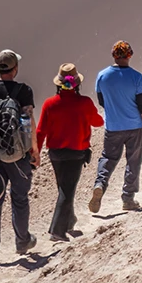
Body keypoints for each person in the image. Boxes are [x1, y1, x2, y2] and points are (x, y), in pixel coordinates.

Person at [0, 49, 40, 264]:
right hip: (20, 155)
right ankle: (22, 241)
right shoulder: (24, 91)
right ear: (15, 69)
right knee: (19, 198)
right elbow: (29, 122)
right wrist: (35, 150)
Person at [36, 63, 104, 242]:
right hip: (76, 153)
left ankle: (69, 221)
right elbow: (98, 122)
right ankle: (57, 230)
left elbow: (40, 131)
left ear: (59, 84)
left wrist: (34, 154)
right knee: (67, 190)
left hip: (55, 154)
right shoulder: (84, 103)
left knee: (64, 188)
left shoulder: (49, 104)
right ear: (77, 84)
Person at [89, 40, 142, 213]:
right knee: (133, 161)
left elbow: (102, 101)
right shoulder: (137, 78)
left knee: (108, 158)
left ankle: (100, 184)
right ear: (130, 55)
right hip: (134, 127)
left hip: (112, 126)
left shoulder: (102, 76)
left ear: (113, 55)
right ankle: (128, 198)